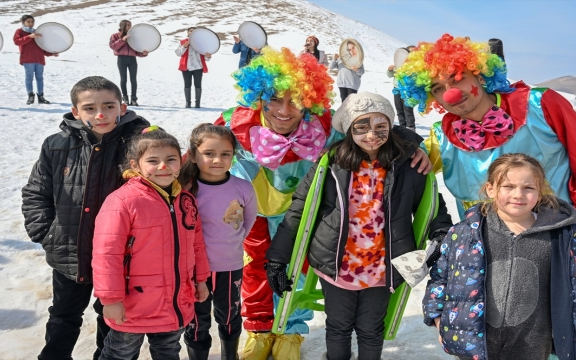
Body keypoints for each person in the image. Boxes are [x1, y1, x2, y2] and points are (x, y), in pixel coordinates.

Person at [214, 47, 432, 360]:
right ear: (258, 96)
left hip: (308, 213)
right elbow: (201, 147)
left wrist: (412, 146)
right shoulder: (235, 121)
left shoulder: (324, 124)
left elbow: (370, 126)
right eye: (275, 98)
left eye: (296, 99)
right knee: (256, 271)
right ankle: (260, 331)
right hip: (254, 209)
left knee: (299, 271)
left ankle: (290, 330)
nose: (285, 110)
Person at [266, 92, 453, 360]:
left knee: (371, 329)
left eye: (380, 127)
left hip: (383, 266)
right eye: (362, 127)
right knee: (339, 327)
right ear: (349, 128)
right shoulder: (330, 164)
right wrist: (277, 259)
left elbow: (434, 206)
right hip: (337, 264)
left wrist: (440, 234)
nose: (371, 136)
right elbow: (298, 210)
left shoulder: (408, 166)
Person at [394, 34, 576, 250]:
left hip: (556, 236)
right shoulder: (442, 136)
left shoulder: (540, 105)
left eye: (457, 78)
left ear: (480, 76)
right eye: (437, 88)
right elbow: (399, 165)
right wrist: (414, 148)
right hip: (488, 249)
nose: (450, 94)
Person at [21, 76, 150, 360]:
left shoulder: (140, 144)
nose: (100, 114)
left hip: (122, 254)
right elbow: (36, 192)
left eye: (108, 106)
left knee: (113, 316)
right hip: (70, 249)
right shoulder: (57, 145)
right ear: (76, 111)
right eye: (90, 108)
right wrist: (47, 233)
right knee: (64, 315)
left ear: (123, 107)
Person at [424, 153, 576, 360]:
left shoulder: (562, 239)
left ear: (540, 192)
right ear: (490, 189)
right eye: (508, 186)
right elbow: (440, 277)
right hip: (475, 340)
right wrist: (437, 318)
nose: (518, 195)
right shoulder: (465, 234)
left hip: (533, 341)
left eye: (528, 188)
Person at [92, 126, 211, 360]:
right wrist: (111, 299)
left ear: (181, 161)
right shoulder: (123, 201)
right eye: (153, 161)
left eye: (170, 159)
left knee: (168, 350)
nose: (163, 167)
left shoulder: (185, 200)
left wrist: (201, 280)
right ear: (135, 165)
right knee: (120, 353)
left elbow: (197, 244)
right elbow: (107, 254)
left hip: (176, 299)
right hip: (132, 302)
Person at [178, 124, 257, 360]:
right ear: (193, 155)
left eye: (225, 154)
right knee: (196, 316)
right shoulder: (185, 189)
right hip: (192, 268)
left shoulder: (243, 188)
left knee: (230, 314)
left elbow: (248, 222)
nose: (217, 160)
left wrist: (228, 245)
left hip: (229, 265)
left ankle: (229, 355)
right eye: (209, 154)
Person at [13, 14, 59, 105]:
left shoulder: (37, 32)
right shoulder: (19, 31)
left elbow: (42, 47)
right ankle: (30, 96)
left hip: (39, 59)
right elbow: (17, 41)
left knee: (40, 78)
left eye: (32, 21)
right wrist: (29, 37)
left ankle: (41, 96)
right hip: (27, 59)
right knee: (29, 78)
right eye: (28, 22)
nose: (31, 23)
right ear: (23, 22)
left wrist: (51, 53)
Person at [109, 20, 148, 106]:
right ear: (123, 26)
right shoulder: (115, 36)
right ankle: (125, 99)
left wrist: (143, 54)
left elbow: (137, 50)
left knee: (133, 80)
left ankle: (134, 99)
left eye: (130, 25)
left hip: (132, 59)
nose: (129, 27)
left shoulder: (133, 37)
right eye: (127, 25)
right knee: (123, 79)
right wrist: (122, 40)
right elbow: (113, 46)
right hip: (121, 59)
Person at [175, 27, 212, 108]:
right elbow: (178, 53)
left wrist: (208, 56)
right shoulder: (182, 42)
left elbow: (206, 57)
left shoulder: (202, 43)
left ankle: (197, 103)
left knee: (198, 85)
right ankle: (188, 103)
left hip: (198, 67)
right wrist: (184, 46)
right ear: (188, 33)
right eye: (191, 31)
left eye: (194, 31)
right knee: (187, 85)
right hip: (186, 67)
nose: (192, 32)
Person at [387, 46, 416, 130]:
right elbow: (389, 75)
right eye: (409, 52)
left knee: (408, 110)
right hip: (397, 89)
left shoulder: (415, 67)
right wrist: (390, 70)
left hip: (408, 90)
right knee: (399, 109)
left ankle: (411, 127)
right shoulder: (398, 65)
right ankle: (402, 127)